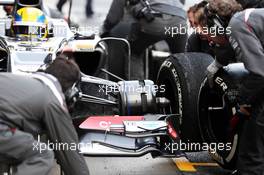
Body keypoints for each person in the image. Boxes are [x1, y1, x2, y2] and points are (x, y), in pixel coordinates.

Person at [195, 0, 264, 174]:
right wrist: (217, 63)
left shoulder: (237, 25)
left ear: (217, 25)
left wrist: (243, 103)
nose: (208, 39)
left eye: (208, 32)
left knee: (251, 149)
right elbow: (229, 47)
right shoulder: (244, 21)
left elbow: (259, 74)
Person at [0, 55, 90, 175]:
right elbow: (69, 150)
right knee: (42, 155)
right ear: (70, 91)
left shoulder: (21, 82)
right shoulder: (53, 99)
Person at [100, 0, 188, 55]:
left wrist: (104, 30)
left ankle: (138, 83)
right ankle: (184, 82)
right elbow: (182, 2)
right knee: (181, 57)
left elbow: (113, 17)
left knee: (133, 51)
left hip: (153, 21)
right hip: (180, 21)